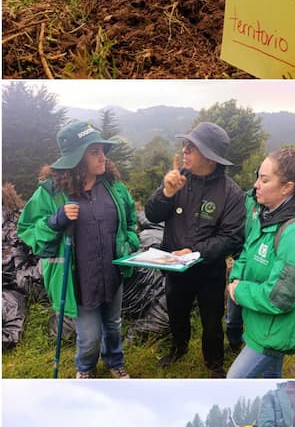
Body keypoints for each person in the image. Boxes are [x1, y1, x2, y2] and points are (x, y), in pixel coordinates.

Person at [17, 121, 138, 379]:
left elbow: (130, 219)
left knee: (114, 325)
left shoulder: (113, 187)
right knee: (90, 337)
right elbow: (26, 228)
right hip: (78, 281)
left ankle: (115, 361)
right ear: (77, 159)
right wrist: (54, 222)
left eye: (102, 150)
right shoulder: (51, 192)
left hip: (113, 274)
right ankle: (85, 369)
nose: (103, 157)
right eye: (94, 152)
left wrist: (129, 242)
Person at [144, 122, 246, 377]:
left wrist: (194, 252)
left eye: (192, 147)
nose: (185, 150)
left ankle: (214, 364)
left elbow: (231, 237)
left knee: (212, 322)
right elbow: (152, 214)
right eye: (185, 145)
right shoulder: (178, 179)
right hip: (174, 268)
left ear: (210, 156)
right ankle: (178, 348)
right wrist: (166, 193)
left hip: (208, 271)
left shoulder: (230, 193)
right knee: (176, 314)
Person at [225, 147, 295, 378]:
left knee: (234, 380)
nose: (256, 185)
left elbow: (281, 297)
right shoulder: (268, 216)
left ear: (287, 187)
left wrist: (239, 290)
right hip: (261, 321)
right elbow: (246, 254)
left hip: (276, 329)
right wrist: (235, 278)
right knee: (272, 378)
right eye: (258, 176)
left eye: (264, 179)